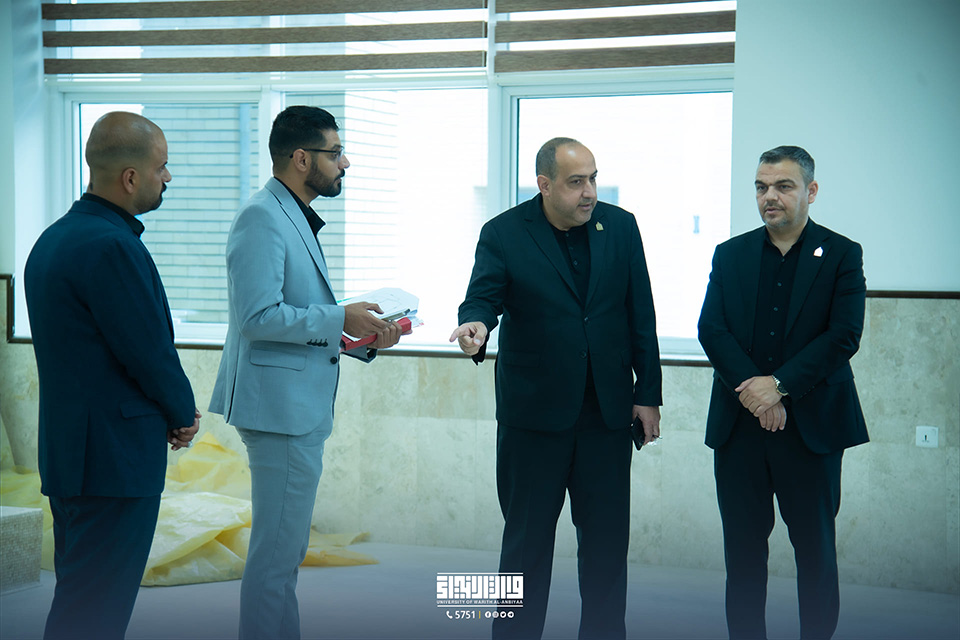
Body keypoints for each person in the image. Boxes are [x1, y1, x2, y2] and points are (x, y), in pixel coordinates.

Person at [451, 137, 662, 640]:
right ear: (544, 185)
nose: (589, 192)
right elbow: (483, 297)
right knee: (524, 549)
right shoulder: (504, 233)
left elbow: (641, 314)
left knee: (607, 549)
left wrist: (648, 393)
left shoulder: (621, 226)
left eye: (593, 178)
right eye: (575, 182)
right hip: (534, 419)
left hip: (606, 416)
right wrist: (475, 325)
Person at [208, 105, 403, 640]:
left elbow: (294, 314)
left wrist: (361, 334)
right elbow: (258, 318)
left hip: (293, 405)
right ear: (300, 158)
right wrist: (340, 316)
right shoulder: (262, 216)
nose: (346, 163)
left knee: (284, 555)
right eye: (335, 153)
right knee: (276, 558)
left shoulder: (289, 213)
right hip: (279, 410)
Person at [24, 111, 200, 640]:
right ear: (129, 177)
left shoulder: (54, 239)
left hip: (72, 456)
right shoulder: (112, 245)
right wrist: (181, 412)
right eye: (161, 167)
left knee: (80, 600)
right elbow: (146, 350)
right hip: (113, 461)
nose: (167, 177)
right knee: (96, 611)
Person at [698, 145, 869, 639]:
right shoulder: (730, 254)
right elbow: (712, 329)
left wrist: (778, 387)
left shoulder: (841, 254)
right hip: (739, 428)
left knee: (815, 553)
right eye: (761, 187)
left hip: (811, 429)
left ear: (811, 191)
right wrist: (756, 394)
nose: (769, 196)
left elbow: (843, 335)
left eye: (783, 186)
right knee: (742, 555)